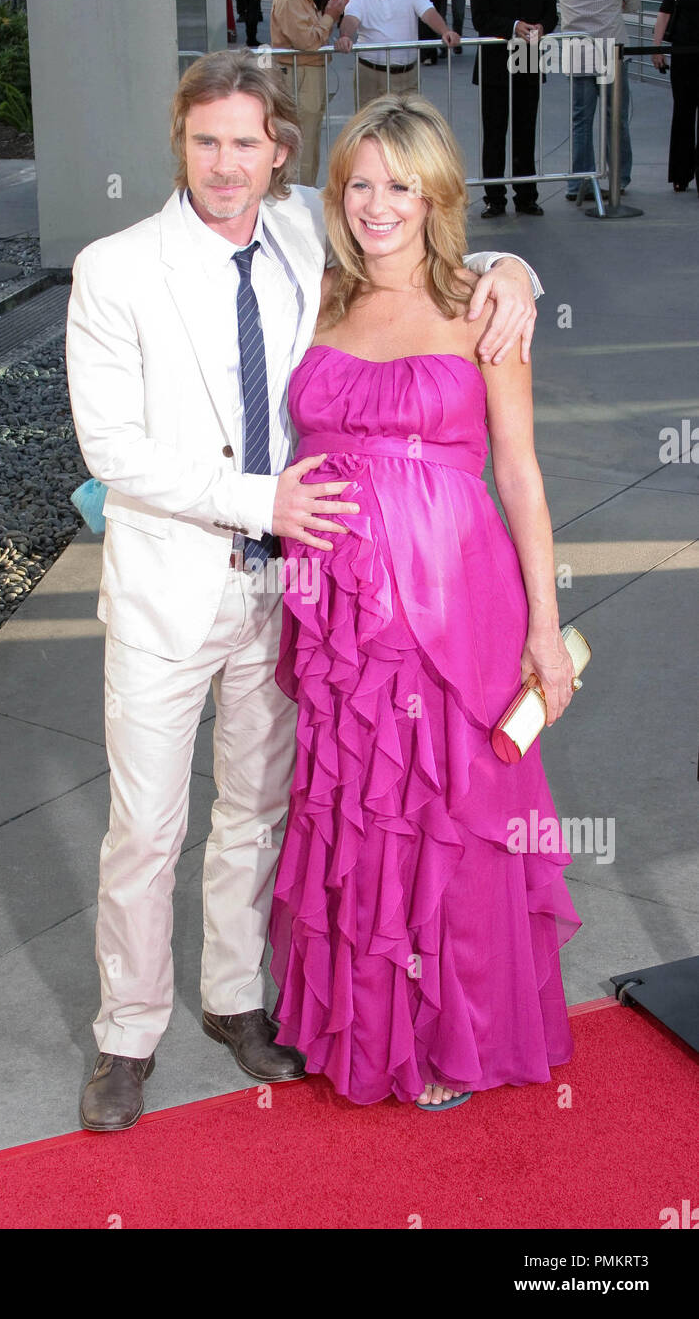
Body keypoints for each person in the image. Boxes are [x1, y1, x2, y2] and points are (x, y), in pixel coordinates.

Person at [66, 50, 545, 1132]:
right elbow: (113, 452)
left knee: (258, 808)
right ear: (177, 144)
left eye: (247, 143)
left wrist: (517, 272)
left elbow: (413, 235)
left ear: (278, 154)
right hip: (173, 590)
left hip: (299, 605)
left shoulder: (301, 239)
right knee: (146, 825)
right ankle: (124, 1036)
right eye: (205, 142)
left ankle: (235, 1000)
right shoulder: (115, 267)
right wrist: (257, 501)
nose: (226, 165)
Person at [269, 93, 582, 1110]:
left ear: (436, 191)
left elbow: (521, 474)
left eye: (398, 183)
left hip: (455, 607)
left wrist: (544, 628)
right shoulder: (312, 296)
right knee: (357, 809)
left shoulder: (479, 302)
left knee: (449, 810)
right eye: (358, 181)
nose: (375, 203)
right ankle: (361, 1021)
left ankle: (451, 1031)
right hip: (336, 617)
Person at [471, 0, 558, 217]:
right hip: (495, 61)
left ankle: (526, 196)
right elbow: (480, 18)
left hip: (527, 59)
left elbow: (551, 12)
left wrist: (542, 27)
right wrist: (513, 26)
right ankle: (494, 198)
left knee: (526, 130)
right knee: (494, 132)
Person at [557, 0, 639, 203]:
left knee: (581, 120)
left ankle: (577, 183)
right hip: (610, 49)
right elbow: (634, 4)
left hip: (577, 50)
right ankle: (618, 178)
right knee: (615, 119)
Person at [337, 0, 460, 105]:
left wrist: (445, 31)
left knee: (408, 128)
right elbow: (350, 20)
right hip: (371, 76)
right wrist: (345, 36)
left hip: (408, 75)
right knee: (372, 129)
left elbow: (428, 12)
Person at [271, 0, 350, 184]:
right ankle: (299, 196)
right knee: (302, 143)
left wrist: (329, 14)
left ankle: (306, 190)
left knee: (310, 139)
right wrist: (331, 16)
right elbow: (308, 42)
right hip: (301, 78)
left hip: (306, 76)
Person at [652, 0, 699, 193]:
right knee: (683, 112)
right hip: (683, 52)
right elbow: (665, 11)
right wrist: (656, 47)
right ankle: (681, 174)